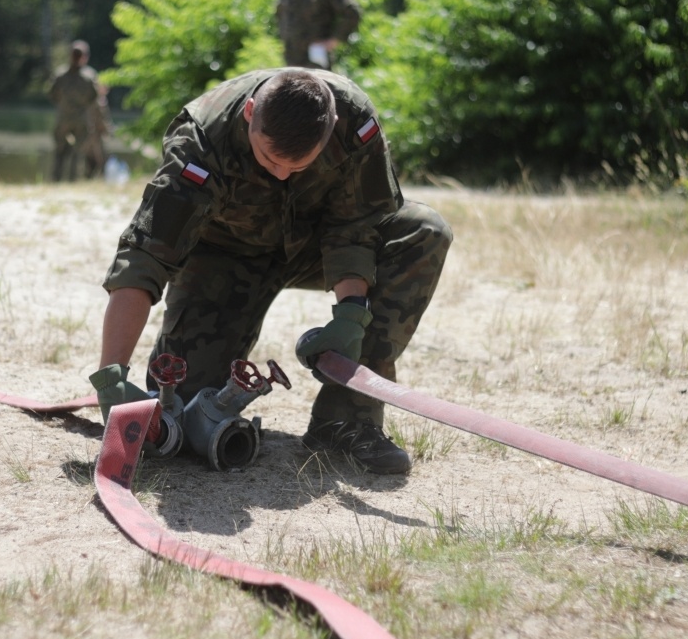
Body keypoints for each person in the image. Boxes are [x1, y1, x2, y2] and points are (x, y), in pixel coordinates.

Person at [89, 68, 451, 475]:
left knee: (424, 231)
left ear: (329, 129)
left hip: (314, 246)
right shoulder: (202, 140)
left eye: (297, 166)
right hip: (226, 256)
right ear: (249, 113)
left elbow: (357, 227)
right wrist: (111, 376)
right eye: (269, 159)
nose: (280, 174)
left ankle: (346, 419)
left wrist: (352, 314)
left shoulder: (352, 121)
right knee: (187, 414)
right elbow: (145, 257)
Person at [48, 40, 111, 181]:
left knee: (60, 151)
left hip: (63, 119)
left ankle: (56, 180)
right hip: (82, 120)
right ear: (85, 57)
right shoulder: (89, 76)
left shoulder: (60, 74)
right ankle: (73, 181)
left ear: (70, 55)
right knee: (78, 153)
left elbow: (52, 95)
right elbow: (94, 99)